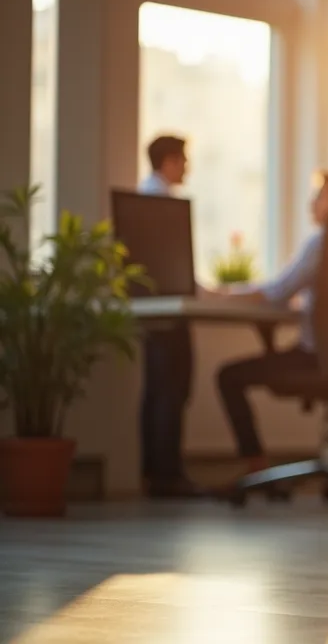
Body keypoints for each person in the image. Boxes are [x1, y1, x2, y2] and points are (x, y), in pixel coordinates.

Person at [209, 171, 328, 479]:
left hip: (314, 357)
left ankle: (256, 467)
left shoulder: (322, 242)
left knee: (228, 376)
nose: (311, 204)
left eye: (320, 197)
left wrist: (222, 294)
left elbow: (276, 292)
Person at [136, 134, 204, 498]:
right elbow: (171, 263)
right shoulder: (158, 200)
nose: (187, 167)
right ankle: (167, 476)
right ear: (169, 161)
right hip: (166, 308)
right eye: (184, 160)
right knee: (171, 389)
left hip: (159, 307)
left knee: (161, 389)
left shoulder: (151, 196)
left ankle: (158, 473)